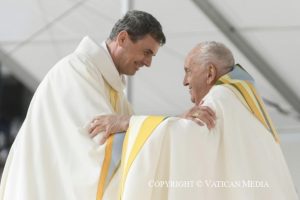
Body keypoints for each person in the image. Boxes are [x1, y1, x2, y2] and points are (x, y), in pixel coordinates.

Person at [0, 10, 172, 200]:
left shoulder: (110, 85)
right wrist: (165, 126)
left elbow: (134, 134)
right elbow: (99, 147)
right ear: (123, 38)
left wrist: (175, 125)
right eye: (146, 52)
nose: (148, 63)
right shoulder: (77, 71)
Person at [98, 42, 298, 199]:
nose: (184, 81)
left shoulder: (218, 98)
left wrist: (128, 123)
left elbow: (187, 140)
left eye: (188, 71)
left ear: (210, 73)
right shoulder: (244, 102)